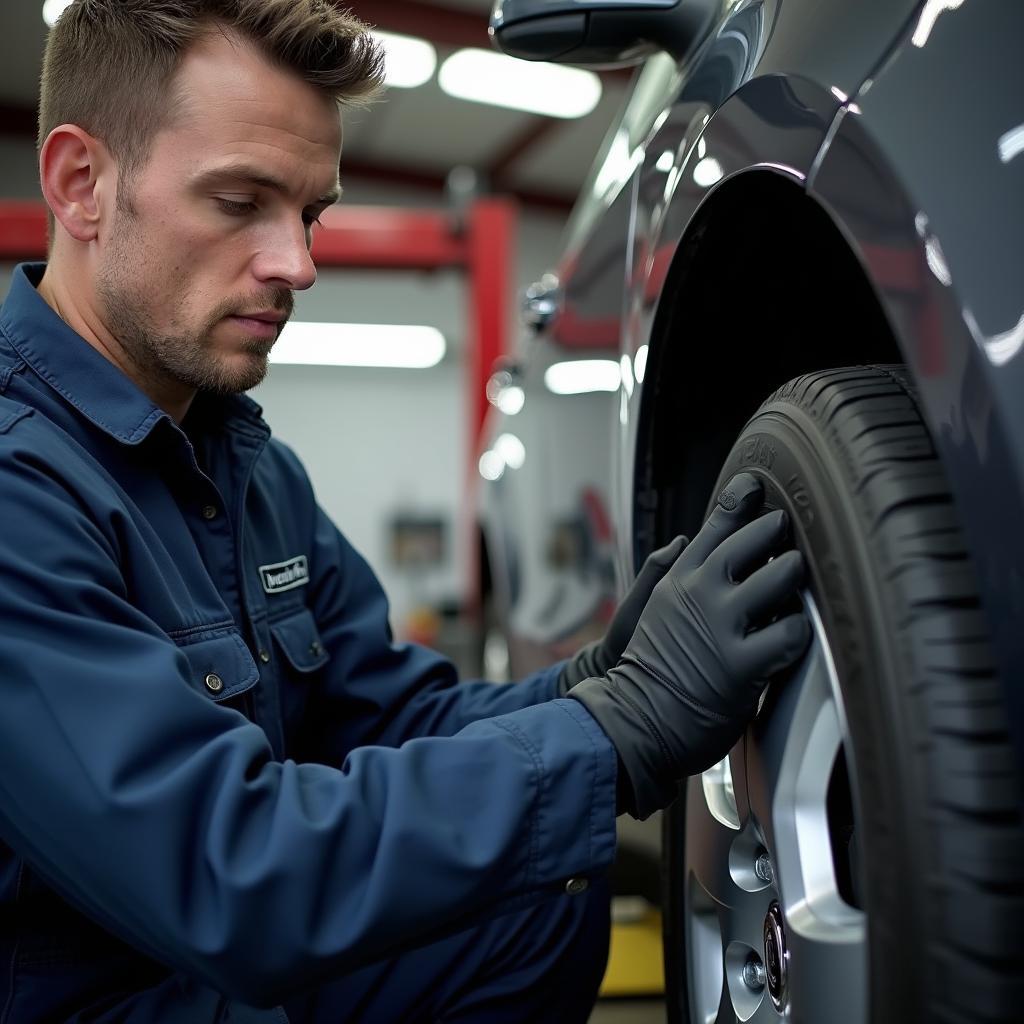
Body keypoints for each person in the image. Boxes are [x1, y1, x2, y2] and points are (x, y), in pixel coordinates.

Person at [0, 2, 811, 1021]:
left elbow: (398, 720)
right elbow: (230, 870)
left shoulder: (254, 473)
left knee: (535, 891)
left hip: (206, 976)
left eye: (310, 213)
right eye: (240, 200)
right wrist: (615, 733)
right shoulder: (18, 489)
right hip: (104, 994)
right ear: (82, 184)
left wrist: (590, 683)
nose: (297, 262)